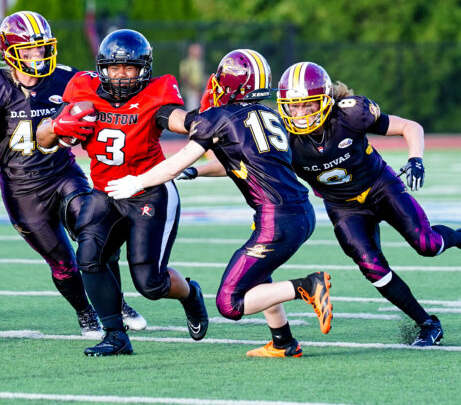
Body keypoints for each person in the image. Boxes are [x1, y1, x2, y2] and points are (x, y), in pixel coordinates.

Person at [106, 49, 333, 358]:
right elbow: (237, 162)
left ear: (231, 84)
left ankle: (307, 285)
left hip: (275, 219)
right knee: (257, 274)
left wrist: (138, 182)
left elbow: (174, 162)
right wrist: (195, 171)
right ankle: (283, 341)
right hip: (299, 213)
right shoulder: (269, 115)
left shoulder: (219, 117)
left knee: (230, 302)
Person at [274, 61, 461, 347]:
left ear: (324, 99)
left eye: (306, 105)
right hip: (343, 207)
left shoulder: (350, 114)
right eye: (292, 106)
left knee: (427, 245)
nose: (299, 113)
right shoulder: (279, 137)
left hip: (381, 187)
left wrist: (415, 158)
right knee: (372, 268)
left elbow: (410, 127)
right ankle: (428, 324)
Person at [0, 11, 146, 339]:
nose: (39, 55)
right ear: (10, 50)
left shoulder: (66, 78)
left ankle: (116, 302)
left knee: (96, 234)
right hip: (21, 189)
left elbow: (109, 101)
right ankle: (85, 313)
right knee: (63, 263)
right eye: (31, 50)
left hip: (63, 174)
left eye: (42, 48)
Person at [36, 28, 209, 357]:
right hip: (105, 192)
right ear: (102, 67)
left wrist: (202, 119)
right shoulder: (83, 91)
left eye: (130, 68)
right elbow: (44, 140)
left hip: (149, 191)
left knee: (150, 284)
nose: (121, 75)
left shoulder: (155, 96)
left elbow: (177, 119)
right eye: (114, 67)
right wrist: (58, 125)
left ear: (144, 69)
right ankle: (115, 334)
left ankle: (190, 295)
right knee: (89, 259)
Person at [178, 43, 205, 111]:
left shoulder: (199, 62)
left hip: (199, 92)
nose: (199, 51)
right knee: (192, 112)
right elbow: (184, 78)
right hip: (191, 92)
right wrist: (195, 89)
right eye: (196, 49)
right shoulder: (186, 63)